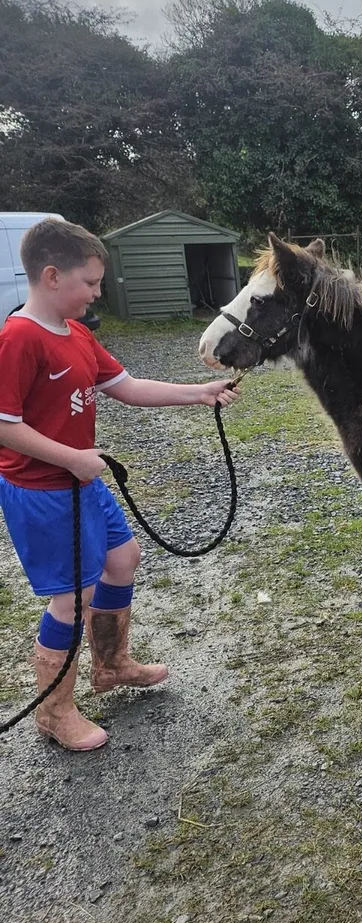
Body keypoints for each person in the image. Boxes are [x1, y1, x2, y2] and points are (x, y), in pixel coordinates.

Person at [0, 217, 240, 751]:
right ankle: (54, 712)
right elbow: (3, 425)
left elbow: (126, 386)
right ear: (51, 275)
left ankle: (110, 665)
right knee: (73, 597)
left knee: (123, 558)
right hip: (42, 491)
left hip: (80, 480)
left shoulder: (78, 333)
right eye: (90, 283)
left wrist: (199, 392)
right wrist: (73, 458)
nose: (97, 293)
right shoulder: (18, 338)